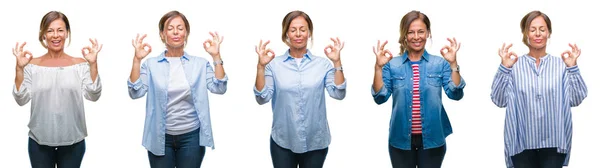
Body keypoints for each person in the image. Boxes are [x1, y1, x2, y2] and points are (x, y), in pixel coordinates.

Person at [127, 10, 228, 168]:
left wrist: (216, 57)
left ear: (186, 33)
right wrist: (136, 61)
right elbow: (135, 92)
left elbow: (219, 87)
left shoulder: (200, 64)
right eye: (170, 28)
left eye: (180, 28)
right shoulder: (151, 64)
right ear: (162, 34)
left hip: (191, 137)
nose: (175, 32)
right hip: (160, 137)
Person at [491, 10, 587, 168]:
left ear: (549, 33)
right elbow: (499, 100)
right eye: (532, 29)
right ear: (525, 33)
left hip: (554, 142)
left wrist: (572, 68)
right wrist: (504, 68)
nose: (538, 34)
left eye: (542, 29)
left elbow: (576, 99)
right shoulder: (514, 65)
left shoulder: (560, 65)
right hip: (520, 142)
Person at [371, 10, 466, 168]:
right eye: (411, 32)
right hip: (400, 139)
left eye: (421, 31)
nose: (416, 37)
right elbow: (380, 97)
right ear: (404, 35)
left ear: (428, 33)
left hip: (433, 138)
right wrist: (378, 68)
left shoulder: (439, 63)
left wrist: (453, 64)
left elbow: (455, 93)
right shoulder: (392, 65)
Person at [253, 10, 347, 168]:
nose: (298, 34)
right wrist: (261, 67)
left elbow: (338, 93)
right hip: (283, 141)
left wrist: (337, 63)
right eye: (293, 30)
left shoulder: (322, 64)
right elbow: (262, 98)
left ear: (309, 33)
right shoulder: (273, 65)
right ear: (286, 34)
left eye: (303, 29)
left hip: (315, 141)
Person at [12, 11, 103, 168]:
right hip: (39, 142)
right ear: (43, 35)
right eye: (50, 30)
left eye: (60, 30)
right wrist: (19, 69)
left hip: (73, 141)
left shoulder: (80, 64)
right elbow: (21, 99)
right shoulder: (31, 65)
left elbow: (93, 95)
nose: (56, 35)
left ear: (67, 33)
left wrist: (93, 64)